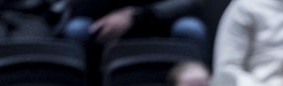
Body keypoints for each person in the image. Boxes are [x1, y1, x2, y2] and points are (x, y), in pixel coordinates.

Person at [62, 0, 206, 46]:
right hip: (106, 25)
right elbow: (78, 6)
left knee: (190, 28)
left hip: (157, 20)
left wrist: (134, 15)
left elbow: (189, 2)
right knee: (77, 28)